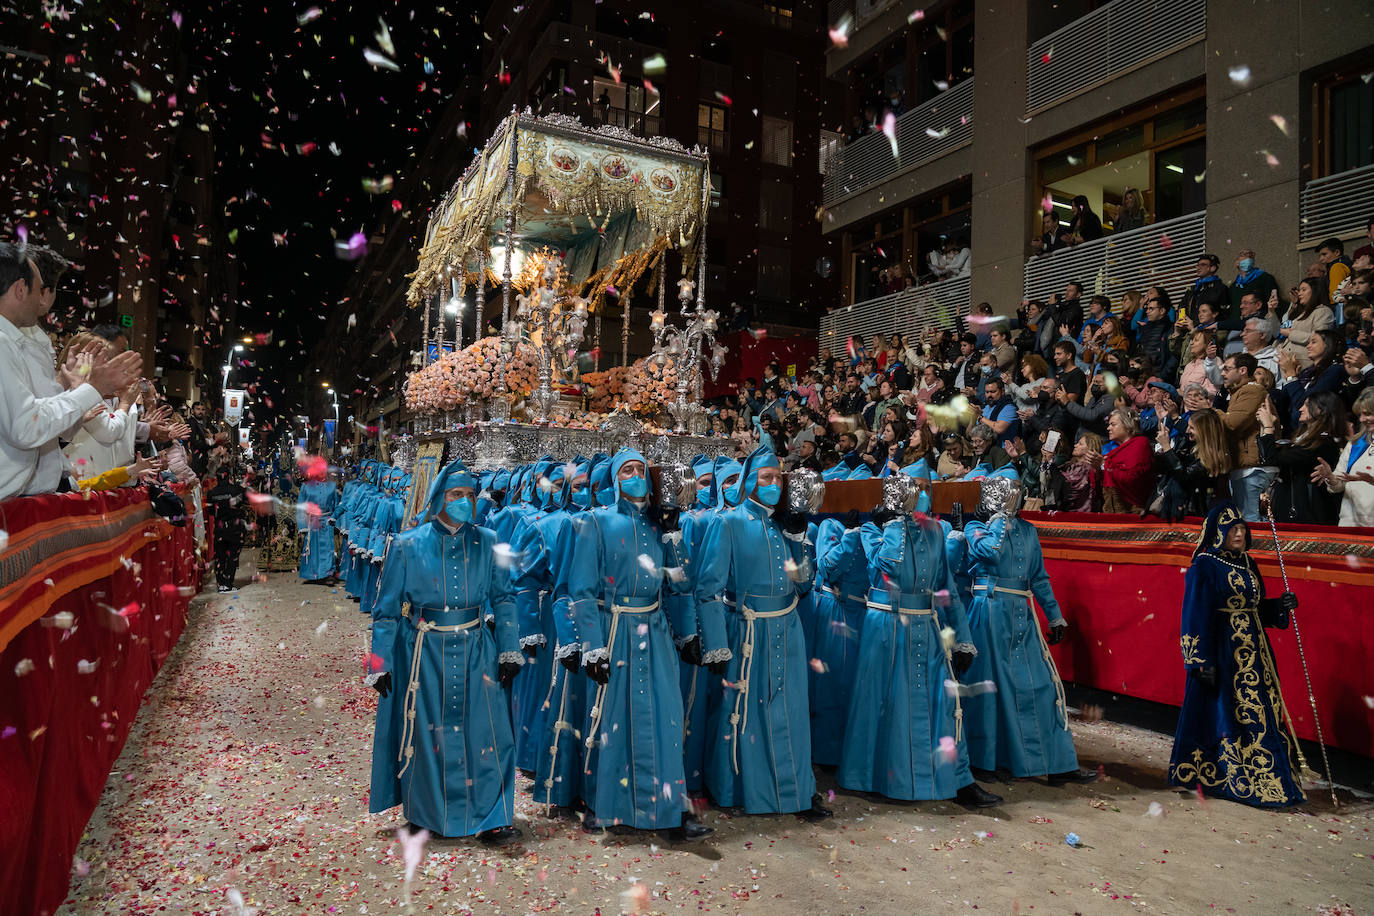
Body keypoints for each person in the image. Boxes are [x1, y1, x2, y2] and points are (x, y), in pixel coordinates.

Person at [367, 459, 524, 845]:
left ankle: (493, 816)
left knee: (489, 731)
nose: (465, 503)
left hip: (476, 649)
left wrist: (509, 650)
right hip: (423, 652)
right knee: (425, 732)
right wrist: (381, 662)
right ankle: (426, 813)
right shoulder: (406, 545)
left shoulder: (489, 541)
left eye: (471, 496)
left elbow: (504, 600)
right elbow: (386, 612)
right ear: (439, 498)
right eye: (457, 495)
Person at [566, 449, 713, 840]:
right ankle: (603, 803)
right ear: (615, 480)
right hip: (614, 630)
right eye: (626, 470)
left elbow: (680, 585)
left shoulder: (659, 525)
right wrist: (592, 647)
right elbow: (580, 590)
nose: (634, 476)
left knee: (665, 718)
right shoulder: (595, 521)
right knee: (611, 718)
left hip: (656, 630)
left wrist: (673, 532)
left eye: (639, 470)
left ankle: (672, 809)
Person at [834, 491, 1001, 808]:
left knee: (946, 705)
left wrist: (961, 637)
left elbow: (945, 588)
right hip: (887, 628)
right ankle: (876, 777)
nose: (917, 498)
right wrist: (895, 525)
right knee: (885, 706)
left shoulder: (936, 531)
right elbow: (886, 567)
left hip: (928, 626)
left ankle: (960, 780)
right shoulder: (875, 530)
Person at [695, 445, 832, 820]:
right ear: (749, 481)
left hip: (788, 629)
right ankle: (737, 788)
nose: (773, 484)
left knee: (790, 712)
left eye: (777, 477)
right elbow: (707, 589)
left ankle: (798, 792)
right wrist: (717, 645)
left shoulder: (783, 526)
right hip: (747, 631)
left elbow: (803, 584)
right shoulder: (728, 523)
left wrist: (800, 538)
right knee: (744, 712)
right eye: (765, 477)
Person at [1168, 503, 1304, 807]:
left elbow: (1256, 609)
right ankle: (1224, 774)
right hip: (1223, 652)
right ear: (1219, 532)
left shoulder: (1247, 563)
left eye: (1243, 529)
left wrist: (1280, 606)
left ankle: (1268, 774)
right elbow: (1194, 614)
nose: (1240, 534)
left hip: (1255, 653)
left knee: (1259, 711)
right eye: (1233, 529)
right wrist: (1199, 660)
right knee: (1223, 712)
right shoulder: (1204, 565)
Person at [962, 475, 1096, 785]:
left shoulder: (1028, 530)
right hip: (990, 615)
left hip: (1022, 616)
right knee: (991, 688)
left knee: (1041, 685)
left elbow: (1038, 577)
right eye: (1010, 495)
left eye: (1019, 494)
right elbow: (990, 553)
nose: (1017, 500)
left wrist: (1055, 617)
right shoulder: (975, 528)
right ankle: (985, 761)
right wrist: (998, 520)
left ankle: (1059, 763)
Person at [0, 242, 143, 500]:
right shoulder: (3, 342)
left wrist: (75, 390)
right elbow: (27, 428)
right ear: (22, 289)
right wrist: (91, 389)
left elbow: (53, 431)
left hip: (27, 496)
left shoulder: (19, 340)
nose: (43, 299)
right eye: (38, 288)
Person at [1256, 391, 1345, 525]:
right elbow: (1270, 457)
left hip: (1309, 513)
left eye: (1307, 405)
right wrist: (1268, 426)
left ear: (1321, 410)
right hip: (1292, 506)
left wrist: (1268, 427)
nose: (1300, 409)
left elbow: (1274, 459)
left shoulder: (1323, 442)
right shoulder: (1302, 437)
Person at [1153, 407, 1233, 520]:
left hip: (1202, 517)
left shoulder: (1212, 458)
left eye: (1192, 428)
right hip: (1189, 512)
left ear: (1204, 431)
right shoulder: (1193, 447)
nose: (1186, 431)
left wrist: (1167, 448)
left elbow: (1183, 476)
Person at [1217, 353, 1270, 522]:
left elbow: (1233, 423)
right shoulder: (1238, 392)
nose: (1222, 373)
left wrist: (1212, 411)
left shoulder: (1253, 390)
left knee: (1252, 523)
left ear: (1243, 370)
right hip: (1242, 467)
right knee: (1243, 521)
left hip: (1252, 468)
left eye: (1227, 369)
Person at [1313, 388, 1374, 526]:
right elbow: (1338, 485)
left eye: (1368, 414)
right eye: (1361, 414)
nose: (1362, 419)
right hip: (1350, 524)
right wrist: (1330, 477)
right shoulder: (1356, 444)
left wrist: (1372, 481)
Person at [206, 464, 249, 592]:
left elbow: (211, 511)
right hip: (235, 528)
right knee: (232, 556)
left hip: (220, 529)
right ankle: (228, 583)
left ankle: (221, 584)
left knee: (220, 556)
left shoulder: (211, 493)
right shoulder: (237, 490)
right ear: (229, 477)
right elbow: (245, 500)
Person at [1101, 409, 1155, 513]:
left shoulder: (1140, 444)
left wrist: (1106, 466)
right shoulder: (1114, 451)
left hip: (1132, 509)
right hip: (1112, 507)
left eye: (1113, 424)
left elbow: (1132, 478)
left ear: (1127, 425)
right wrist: (1098, 468)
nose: (1108, 428)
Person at [297, 458, 339, 584]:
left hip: (327, 521)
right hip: (312, 522)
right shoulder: (306, 487)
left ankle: (328, 574)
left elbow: (337, 506)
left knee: (328, 548)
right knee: (313, 549)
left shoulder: (332, 486)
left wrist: (337, 522)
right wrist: (302, 525)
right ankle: (314, 574)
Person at [1277, 278, 1334, 369]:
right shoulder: (1303, 313)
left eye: (1304, 290)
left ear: (1315, 291)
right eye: (1299, 290)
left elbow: (1321, 339)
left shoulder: (1323, 312)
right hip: (1288, 363)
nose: (1299, 294)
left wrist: (1290, 333)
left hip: (1304, 364)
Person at [1228, 249, 1281, 315]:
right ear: (1236, 263)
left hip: (1259, 321)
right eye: (1243, 257)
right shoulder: (1234, 286)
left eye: (1250, 258)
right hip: (1238, 322)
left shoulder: (1265, 278)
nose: (1247, 260)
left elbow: (1274, 303)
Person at [1182, 254, 1230, 322]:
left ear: (1213, 268)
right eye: (1198, 265)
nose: (1198, 268)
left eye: (1203, 265)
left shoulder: (1220, 288)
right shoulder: (1192, 289)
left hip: (1210, 329)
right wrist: (1182, 322)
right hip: (1191, 329)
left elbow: (1224, 313)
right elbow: (1182, 307)